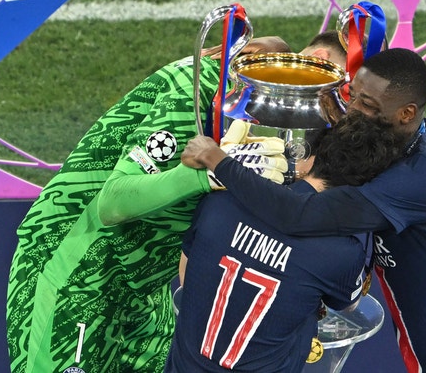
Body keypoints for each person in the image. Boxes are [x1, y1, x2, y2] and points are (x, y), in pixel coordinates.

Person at [4, 30, 347, 372]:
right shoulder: (201, 89)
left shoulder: (284, 126)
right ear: (322, 64)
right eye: (350, 96)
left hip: (144, 290)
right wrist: (210, 173)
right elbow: (112, 202)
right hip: (72, 272)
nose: (346, 112)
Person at [182, 48, 426, 372]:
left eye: (366, 105)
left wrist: (219, 160)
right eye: (352, 96)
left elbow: (299, 215)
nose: (352, 111)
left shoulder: (418, 179)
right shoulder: (406, 142)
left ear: (406, 113)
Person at [165, 112, 402, 372]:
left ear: (312, 157)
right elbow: (349, 306)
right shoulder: (341, 251)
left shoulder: (221, 199)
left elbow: (187, 275)